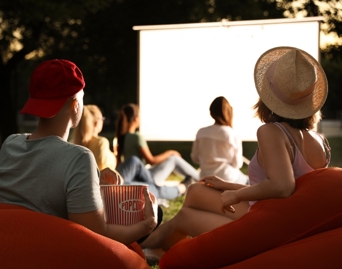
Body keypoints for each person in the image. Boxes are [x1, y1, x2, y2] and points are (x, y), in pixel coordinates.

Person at [140, 46, 331, 253]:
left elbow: (283, 187)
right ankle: (161, 249)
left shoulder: (272, 132)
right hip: (285, 220)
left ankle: (141, 248)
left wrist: (236, 195)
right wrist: (228, 186)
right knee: (195, 190)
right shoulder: (318, 139)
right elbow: (287, 189)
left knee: (186, 216)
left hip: (268, 227)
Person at [0, 59, 157, 245]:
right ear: (75, 105)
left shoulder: (10, 144)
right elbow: (97, 237)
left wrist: (91, 180)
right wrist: (148, 225)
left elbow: (38, 185)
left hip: (10, 246)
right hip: (53, 257)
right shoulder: (79, 157)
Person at [72, 105, 184, 204]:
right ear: (97, 123)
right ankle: (182, 188)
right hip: (111, 187)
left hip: (106, 182)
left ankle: (157, 186)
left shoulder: (75, 145)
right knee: (150, 189)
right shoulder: (101, 142)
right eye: (102, 119)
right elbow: (102, 171)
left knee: (134, 161)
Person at [114, 103, 199, 197]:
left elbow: (119, 162)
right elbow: (151, 160)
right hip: (144, 176)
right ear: (136, 119)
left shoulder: (122, 137)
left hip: (132, 177)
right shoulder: (136, 137)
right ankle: (200, 179)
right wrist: (170, 152)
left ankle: (196, 179)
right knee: (174, 158)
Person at [191, 96, 249, 184]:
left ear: (211, 112)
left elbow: (195, 158)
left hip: (205, 177)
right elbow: (238, 164)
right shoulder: (232, 133)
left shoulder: (201, 132)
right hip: (228, 177)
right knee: (249, 180)